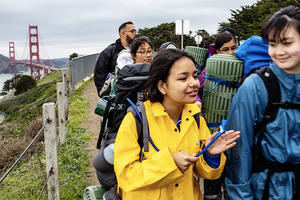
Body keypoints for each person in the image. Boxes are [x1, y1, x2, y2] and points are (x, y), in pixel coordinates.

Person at [114, 49, 240, 200]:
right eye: (183, 78)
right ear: (162, 86)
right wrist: (171, 163)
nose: (194, 83)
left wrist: (210, 155)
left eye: (194, 76)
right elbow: (126, 176)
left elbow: (204, 172)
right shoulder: (136, 120)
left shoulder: (195, 116)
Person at [225, 6, 300, 200]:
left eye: (287, 43)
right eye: (273, 44)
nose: (278, 52)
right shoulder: (256, 86)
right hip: (267, 189)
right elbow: (238, 152)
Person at [202, 31, 237, 200]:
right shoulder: (208, 70)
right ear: (217, 51)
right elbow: (195, 89)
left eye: (233, 48)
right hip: (213, 132)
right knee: (213, 179)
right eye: (225, 49)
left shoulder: (241, 68)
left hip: (234, 134)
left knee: (232, 179)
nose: (230, 53)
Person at [94, 21, 137, 96]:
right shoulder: (109, 52)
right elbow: (99, 75)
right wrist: (104, 96)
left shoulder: (139, 50)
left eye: (136, 31)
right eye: (132, 31)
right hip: (117, 95)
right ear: (123, 34)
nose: (136, 34)